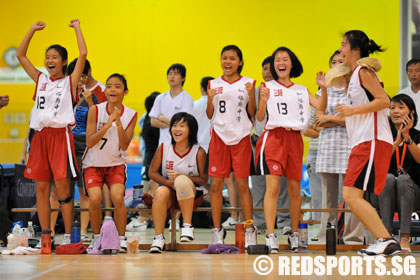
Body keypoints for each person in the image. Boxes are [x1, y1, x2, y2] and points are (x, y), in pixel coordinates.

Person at [16, 19, 87, 246]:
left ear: (64, 62)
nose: (49, 60)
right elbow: (20, 55)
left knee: (63, 189)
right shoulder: (41, 80)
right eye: (47, 57)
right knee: (42, 189)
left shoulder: (69, 81)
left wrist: (76, 27)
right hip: (40, 137)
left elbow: (83, 53)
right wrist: (31, 30)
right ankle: (46, 236)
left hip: (60, 137)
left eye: (54, 57)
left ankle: (67, 237)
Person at [255, 46, 327, 253]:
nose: (281, 63)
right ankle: (271, 235)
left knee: (295, 191)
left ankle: (294, 234)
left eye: (285, 59)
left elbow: (320, 106)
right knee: (273, 188)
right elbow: (260, 117)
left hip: (294, 139)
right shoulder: (266, 86)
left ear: (291, 63)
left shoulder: (301, 90)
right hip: (273, 138)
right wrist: (262, 100)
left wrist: (324, 88)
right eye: (277, 60)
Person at [337, 30, 401, 255]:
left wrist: (353, 110)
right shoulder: (354, 74)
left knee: (351, 195)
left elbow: (384, 100)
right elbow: (356, 112)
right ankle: (384, 239)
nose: (341, 49)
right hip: (364, 142)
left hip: (371, 141)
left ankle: (385, 239)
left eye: (344, 44)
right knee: (354, 195)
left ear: (356, 49)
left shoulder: (363, 71)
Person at [206, 45, 257, 247]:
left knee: (243, 185)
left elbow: (251, 112)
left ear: (240, 62)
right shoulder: (213, 83)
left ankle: (250, 229)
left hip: (242, 137)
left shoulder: (249, 83)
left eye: (232, 58)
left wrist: (252, 96)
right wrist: (210, 100)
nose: (228, 62)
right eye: (224, 58)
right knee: (217, 185)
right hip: (219, 137)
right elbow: (210, 114)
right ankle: (217, 231)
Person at [83, 73, 137, 253]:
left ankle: (121, 239)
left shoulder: (131, 114)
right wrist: (107, 125)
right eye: (109, 86)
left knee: (118, 198)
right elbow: (90, 142)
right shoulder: (95, 110)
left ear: (125, 91)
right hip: (93, 164)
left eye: (117, 86)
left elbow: (124, 145)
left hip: (115, 164)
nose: (112, 90)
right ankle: (97, 238)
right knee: (95, 198)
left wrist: (119, 124)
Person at [148, 112, 208, 253]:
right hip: (169, 192)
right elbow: (152, 172)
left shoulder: (198, 152)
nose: (177, 129)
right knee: (160, 191)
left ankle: (187, 225)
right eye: (174, 126)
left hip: (191, 195)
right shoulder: (164, 148)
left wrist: (182, 176)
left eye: (182, 126)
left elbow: (204, 180)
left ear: (191, 130)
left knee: (181, 180)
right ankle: (158, 237)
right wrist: (168, 183)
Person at [314, 51, 350, 243]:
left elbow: (354, 119)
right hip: (328, 146)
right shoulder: (322, 91)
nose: (337, 64)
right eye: (333, 62)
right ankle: (327, 235)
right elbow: (318, 121)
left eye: (341, 61)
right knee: (328, 196)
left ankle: (351, 236)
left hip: (349, 146)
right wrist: (337, 120)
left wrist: (329, 118)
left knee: (351, 195)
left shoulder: (354, 89)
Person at [250, 56, 290, 234]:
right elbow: (250, 115)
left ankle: (283, 221)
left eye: (269, 69)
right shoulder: (256, 91)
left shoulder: (286, 90)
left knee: (280, 185)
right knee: (258, 185)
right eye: (264, 69)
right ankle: (259, 222)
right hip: (258, 140)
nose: (266, 72)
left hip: (278, 141)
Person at [377, 94, 420, 254]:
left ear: (412, 113)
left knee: (403, 179)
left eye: (401, 107)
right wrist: (396, 142)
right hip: (382, 193)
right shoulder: (382, 135)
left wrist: (407, 138)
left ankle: (404, 237)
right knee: (387, 177)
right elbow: (379, 162)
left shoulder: (417, 136)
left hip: (413, 195)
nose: (396, 111)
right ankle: (386, 237)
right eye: (392, 108)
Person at [126, 92, 160, 232]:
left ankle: (147, 218)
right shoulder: (152, 121)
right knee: (149, 190)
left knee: (150, 190)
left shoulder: (146, 119)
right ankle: (143, 218)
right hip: (152, 159)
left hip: (150, 159)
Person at [150, 63, 194, 145]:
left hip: (180, 144)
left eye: (176, 74)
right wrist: (174, 125)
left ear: (183, 78)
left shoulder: (187, 98)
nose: (172, 76)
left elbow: (182, 122)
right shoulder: (160, 98)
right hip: (163, 143)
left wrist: (161, 117)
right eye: (170, 74)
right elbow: (153, 122)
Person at [193, 77, 214, 152]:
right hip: (214, 146)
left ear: (202, 89)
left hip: (196, 146)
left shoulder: (193, 105)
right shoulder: (218, 105)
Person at [398, 59, 420, 130]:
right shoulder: (402, 94)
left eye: (417, 71)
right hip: (408, 134)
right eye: (410, 71)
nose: (413, 74)